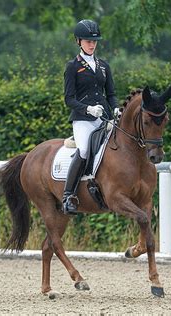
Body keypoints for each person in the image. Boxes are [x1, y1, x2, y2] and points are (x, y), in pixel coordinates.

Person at [62, 19, 118, 216]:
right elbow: (69, 99)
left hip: (103, 117)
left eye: (94, 41)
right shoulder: (72, 66)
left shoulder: (103, 66)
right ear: (79, 41)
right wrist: (87, 109)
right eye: (87, 41)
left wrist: (116, 108)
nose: (92, 44)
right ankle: (68, 196)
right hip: (82, 119)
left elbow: (110, 94)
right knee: (85, 149)